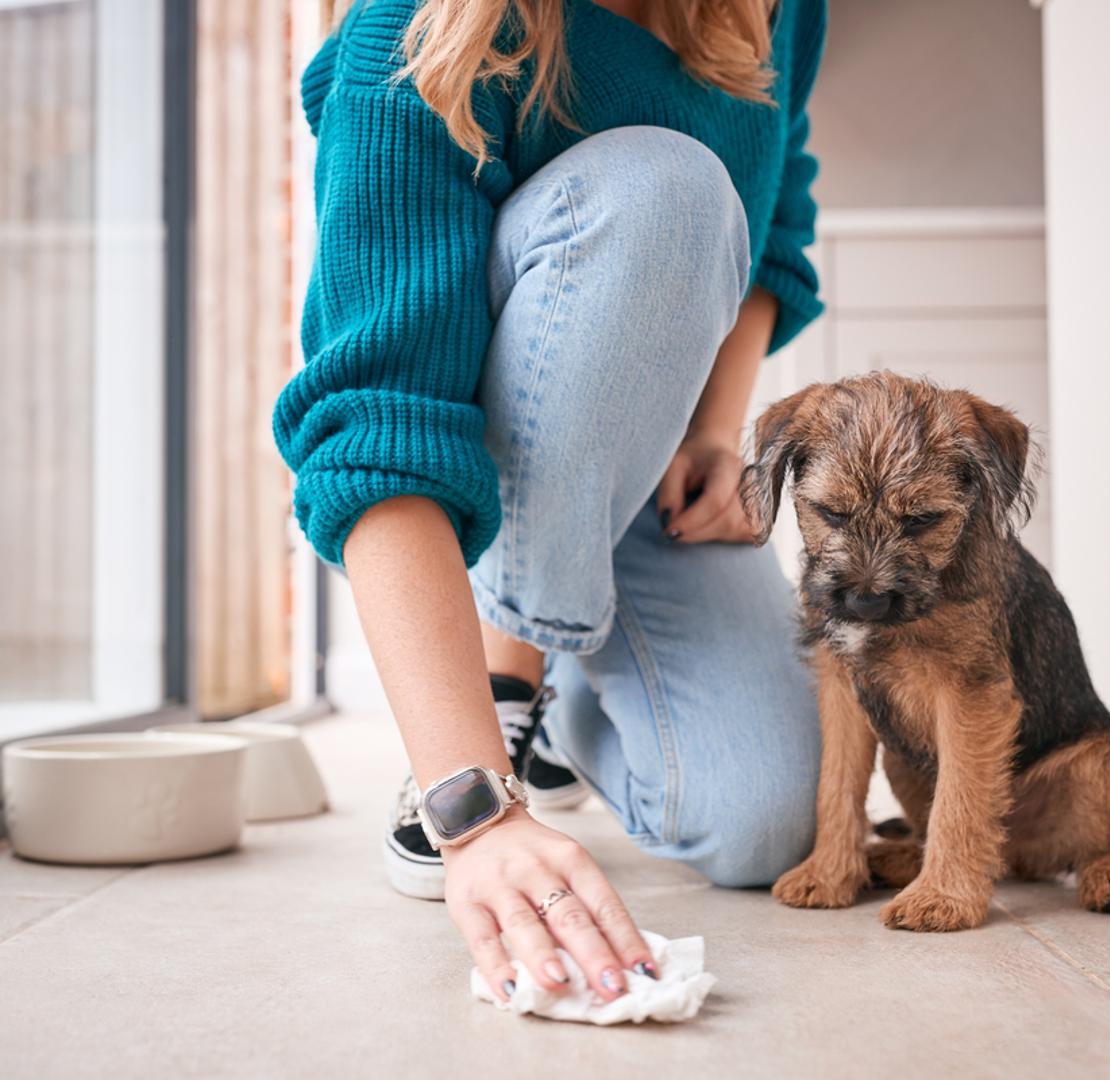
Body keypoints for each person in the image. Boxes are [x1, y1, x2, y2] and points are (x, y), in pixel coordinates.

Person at [274, 0, 825, 1004]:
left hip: (644, 460)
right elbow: (381, 434)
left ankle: (560, 689)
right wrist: (473, 810)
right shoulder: (412, 31)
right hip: (478, 473)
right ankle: (507, 685)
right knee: (665, 186)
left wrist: (713, 433)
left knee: (768, 823)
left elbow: (777, 205)